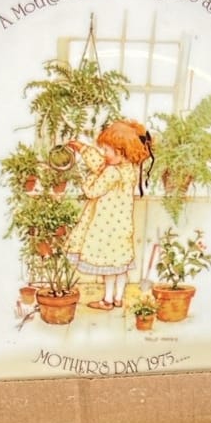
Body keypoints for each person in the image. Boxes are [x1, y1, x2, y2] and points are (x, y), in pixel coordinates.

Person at [65, 119, 151, 310]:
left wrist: (87, 180)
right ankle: (119, 298)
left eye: (106, 150)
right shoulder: (128, 168)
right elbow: (101, 163)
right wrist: (82, 148)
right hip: (122, 227)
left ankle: (108, 300)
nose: (103, 153)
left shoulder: (112, 172)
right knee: (120, 265)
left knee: (109, 268)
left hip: (106, 228)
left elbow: (92, 191)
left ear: (120, 152)